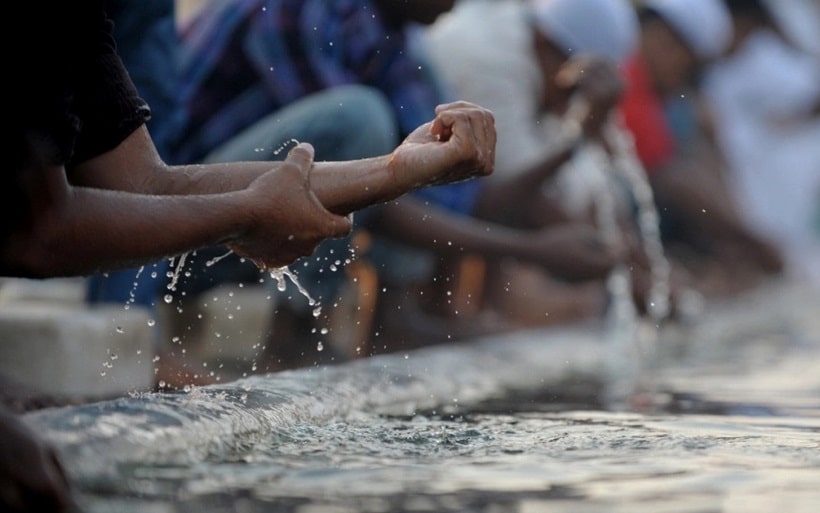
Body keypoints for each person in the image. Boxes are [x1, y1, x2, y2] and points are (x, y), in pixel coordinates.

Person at [2, 1, 496, 511]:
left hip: (179, 224)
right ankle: (257, 335)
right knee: (361, 113)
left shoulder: (83, 20)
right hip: (161, 249)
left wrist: (397, 170)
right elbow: (40, 229)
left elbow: (144, 184)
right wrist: (246, 213)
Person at [170, 0, 625, 363]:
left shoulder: (397, 42)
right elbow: (357, 187)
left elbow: (459, 198)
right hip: (179, 233)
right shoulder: (297, 10)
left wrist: (578, 137)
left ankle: (392, 315)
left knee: (428, 151)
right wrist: (532, 250)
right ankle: (297, 326)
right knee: (363, 119)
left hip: (247, 232)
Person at [422, 0, 668, 325]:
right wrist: (626, 274)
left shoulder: (543, 58)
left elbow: (585, 188)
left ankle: (478, 310)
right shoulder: (488, 60)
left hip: (462, 186)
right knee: (492, 190)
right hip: (422, 191)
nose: (571, 103)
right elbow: (513, 187)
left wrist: (648, 267)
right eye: (573, 94)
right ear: (545, 44)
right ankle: (443, 311)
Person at [619, 0, 785, 297]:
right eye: (687, 62)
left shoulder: (669, 99)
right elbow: (673, 178)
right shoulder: (626, 78)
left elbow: (703, 164)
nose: (684, 73)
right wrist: (753, 240)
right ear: (662, 38)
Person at [703, 0, 820, 285]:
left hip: (782, 165)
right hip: (744, 171)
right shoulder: (712, 67)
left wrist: (795, 119)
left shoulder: (766, 57)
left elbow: (809, 92)